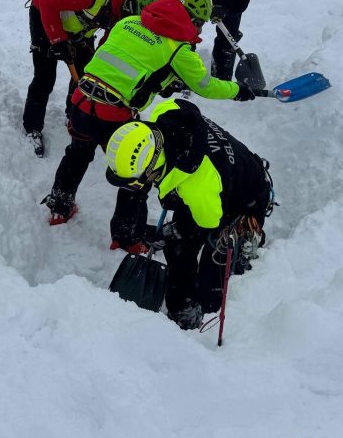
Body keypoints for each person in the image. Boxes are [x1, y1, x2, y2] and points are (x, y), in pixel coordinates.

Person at [43, 0, 256, 251]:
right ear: (192, 20)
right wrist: (238, 90)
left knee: (78, 152)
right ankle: (127, 237)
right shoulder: (179, 48)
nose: (198, 31)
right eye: (199, 25)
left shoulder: (129, 21)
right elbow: (207, 86)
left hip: (81, 100)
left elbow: (123, 59)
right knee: (137, 174)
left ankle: (59, 206)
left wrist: (161, 80)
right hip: (112, 113)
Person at [104, 99, 273, 329]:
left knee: (207, 258)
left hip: (242, 200)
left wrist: (173, 232)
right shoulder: (168, 116)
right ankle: (182, 299)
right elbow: (178, 102)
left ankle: (196, 309)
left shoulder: (199, 187)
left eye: (136, 180)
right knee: (178, 243)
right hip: (229, 176)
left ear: (153, 166)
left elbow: (209, 222)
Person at [22, 0, 167, 157]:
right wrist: (58, 40)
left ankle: (73, 113)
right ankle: (32, 127)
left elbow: (109, 41)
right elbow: (47, 1)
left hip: (81, 27)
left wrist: (99, 65)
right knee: (45, 76)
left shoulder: (123, 5)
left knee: (85, 74)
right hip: (45, 15)